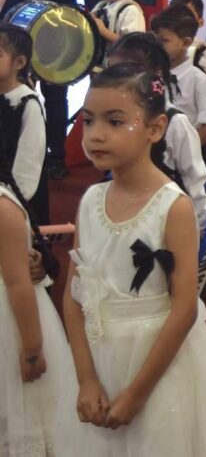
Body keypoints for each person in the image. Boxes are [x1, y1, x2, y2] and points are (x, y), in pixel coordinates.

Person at [55, 63, 206, 455]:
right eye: (89, 120)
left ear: (155, 128)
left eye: (115, 122)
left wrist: (136, 393)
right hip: (100, 359)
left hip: (158, 367)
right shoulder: (90, 200)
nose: (95, 134)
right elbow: (74, 294)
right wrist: (85, 378)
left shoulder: (172, 206)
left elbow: (184, 308)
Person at [3, 0, 103, 180]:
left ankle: (56, 156)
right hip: (19, 28)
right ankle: (11, 153)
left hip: (59, 30)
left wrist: (97, 19)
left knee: (56, 94)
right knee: (16, 90)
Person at [0, 160, 74, 456]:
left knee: (25, 408)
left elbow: (17, 283)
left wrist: (31, 349)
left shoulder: (4, 207)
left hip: (9, 325)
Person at [106, 32, 206, 231]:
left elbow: (194, 182)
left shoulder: (176, 124)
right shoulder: (111, 119)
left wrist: (195, 230)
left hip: (166, 226)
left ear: (156, 74)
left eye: (125, 73)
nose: (115, 81)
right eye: (111, 72)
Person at [151, 6, 206, 215]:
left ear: (186, 42)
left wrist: (186, 150)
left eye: (164, 41)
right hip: (159, 153)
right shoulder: (151, 76)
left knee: (193, 201)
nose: (158, 46)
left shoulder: (198, 78)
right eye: (155, 40)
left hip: (194, 151)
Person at [0, 24, 49, 223]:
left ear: (19, 62)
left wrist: (8, 204)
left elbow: (27, 168)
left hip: (12, 206)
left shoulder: (28, 103)